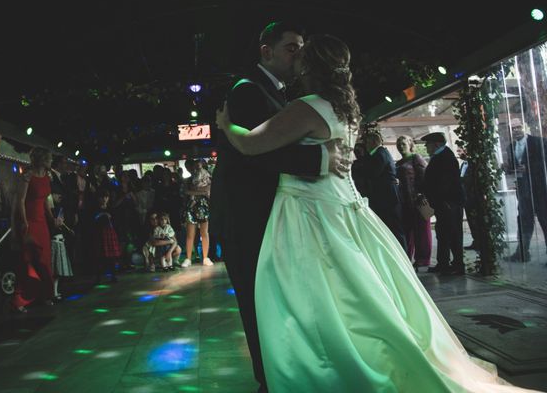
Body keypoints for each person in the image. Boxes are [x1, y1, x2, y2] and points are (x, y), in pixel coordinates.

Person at [215, 34, 538, 393]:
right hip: (345, 208)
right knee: (359, 291)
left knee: (312, 294)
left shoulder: (306, 106)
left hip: (310, 210)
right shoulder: (345, 108)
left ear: (311, 66)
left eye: (301, 55)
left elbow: (251, 144)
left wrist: (226, 125)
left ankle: (325, 365)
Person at [210, 21, 350, 393]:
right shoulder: (246, 91)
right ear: (265, 51)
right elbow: (255, 155)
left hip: (277, 214)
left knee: (281, 298)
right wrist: (321, 158)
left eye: (302, 47)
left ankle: (289, 370)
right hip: (248, 217)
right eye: (291, 47)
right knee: (259, 302)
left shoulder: (285, 95)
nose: (299, 54)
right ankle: (269, 380)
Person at [10, 147, 61, 313]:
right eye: (49, 158)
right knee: (28, 261)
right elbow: (20, 201)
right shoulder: (27, 176)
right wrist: (24, 223)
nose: (51, 161)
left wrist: (51, 218)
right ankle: (20, 300)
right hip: (29, 222)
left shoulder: (46, 176)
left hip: (42, 224)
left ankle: (43, 295)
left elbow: (45, 200)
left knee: (44, 261)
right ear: (41, 159)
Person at [503, 118, 547, 262]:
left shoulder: (538, 142)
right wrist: (508, 168)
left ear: (525, 127)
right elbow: (513, 169)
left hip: (540, 190)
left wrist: (529, 168)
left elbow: (543, 163)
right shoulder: (510, 147)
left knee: (545, 221)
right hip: (523, 191)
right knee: (523, 221)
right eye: (513, 128)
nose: (516, 130)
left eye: (518, 127)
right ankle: (522, 253)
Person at [421, 132, 465, 275]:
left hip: (448, 203)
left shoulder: (445, 157)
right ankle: (443, 263)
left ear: (436, 144)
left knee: (453, 234)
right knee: (443, 233)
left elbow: (445, 183)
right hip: (443, 203)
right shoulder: (440, 156)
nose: (426, 147)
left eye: (428, 144)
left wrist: (444, 200)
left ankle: (458, 265)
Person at [363, 130, 407, 251]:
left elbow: (372, 173)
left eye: (367, 142)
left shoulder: (380, 154)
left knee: (395, 229)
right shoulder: (381, 153)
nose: (366, 145)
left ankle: (404, 256)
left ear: (373, 142)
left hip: (388, 198)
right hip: (387, 197)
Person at [396, 135, 432, 266]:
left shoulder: (416, 158)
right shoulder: (398, 163)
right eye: (398, 144)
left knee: (422, 231)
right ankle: (407, 257)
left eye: (403, 143)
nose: (400, 146)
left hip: (418, 200)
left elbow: (425, 177)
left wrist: (421, 195)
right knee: (407, 231)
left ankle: (423, 259)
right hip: (404, 202)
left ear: (410, 144)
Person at [180, 159, 212, 267]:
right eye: (195, 164)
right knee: (190, 234)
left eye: (199, 164)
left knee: (204, 232)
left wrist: (198, 190)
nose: (197, 166)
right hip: (192, 205)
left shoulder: (208, 176)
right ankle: (188, 258)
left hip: (204, 205)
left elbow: (208, 189)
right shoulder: (188, 180)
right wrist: (200, 191)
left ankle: (206, 257)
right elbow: (186, 192)